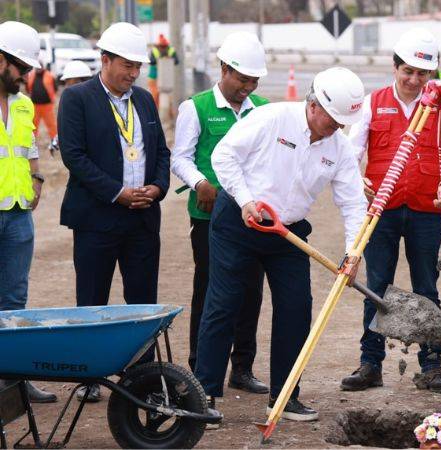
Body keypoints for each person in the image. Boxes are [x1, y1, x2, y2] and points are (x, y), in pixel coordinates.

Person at [194, 67, 367, 422]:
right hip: (238, 220)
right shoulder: (272, 118)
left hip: (287, 232)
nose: (336, 128)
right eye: (332, 120)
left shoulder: (339, 147)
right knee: (224, 304)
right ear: (314, 104)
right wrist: (244, 200)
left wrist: (354, 252)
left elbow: (352, 202)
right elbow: (223, 157)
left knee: (296, 308)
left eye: (342, 123)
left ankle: (285, 396)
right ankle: (204, 395)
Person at [57, 22, 170, 403]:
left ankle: (141, 377)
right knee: (92, 300)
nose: (134, 73)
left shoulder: (144, 99)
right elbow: (75, 156)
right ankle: (89, 376)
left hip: (141, 218)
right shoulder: (78, 99)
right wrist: (118, 193)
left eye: (138, 66)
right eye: (127, 65)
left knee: (142, 302)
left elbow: (162, 152)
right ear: (104, 60)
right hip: (96, 218)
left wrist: (157, 187)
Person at [342, 28, 441, 394]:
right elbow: (349, 152)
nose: (414, 80)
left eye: (422, 74)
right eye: (408, 71)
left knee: (426, 288)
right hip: (383, 211)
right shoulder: (373, 103)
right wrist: (358, 182)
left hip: (425, 210)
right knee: (377, 287)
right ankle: (370, 363)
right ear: (395, 67)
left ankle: (432, 366)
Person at [171, 31, 269, 394]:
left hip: (252, 215)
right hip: (209, 215)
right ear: (224, 70)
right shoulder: (195, 108)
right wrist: (200, 184)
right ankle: (200, 366)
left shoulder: (262, 108)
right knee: (211, 291)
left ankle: (242, 367)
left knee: (250, 291)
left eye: (254, 80)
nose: (248, 86)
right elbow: (180, 157)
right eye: (242, 79)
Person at [0, 20, 57, 404]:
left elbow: (29, 147)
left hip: (19, 213)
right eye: (19, 67)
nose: (25, 75)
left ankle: (13, 379)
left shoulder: (21, 103)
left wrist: (37, 180)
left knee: (15, 299)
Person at [48, 60, 93, 156]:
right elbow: (69, 127)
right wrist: (56, 141)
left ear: (79, 81)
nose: (66, 86)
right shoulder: (74, 100)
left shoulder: (94, 100)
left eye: (68, 82)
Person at [25, 61, 57, 141]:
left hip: (47, 105)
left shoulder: (49, 75)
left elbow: (55, 88)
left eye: (40, 66)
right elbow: (27, 88)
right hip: (35, 105)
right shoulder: (31, 75)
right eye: (37, 67)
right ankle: (31, 141)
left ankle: (55, 141)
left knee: (51, 125)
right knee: (33, 125)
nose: (38, 68)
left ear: (43, 67)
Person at [147, 33, 178, 107]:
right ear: (158, 46)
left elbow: (177, 61)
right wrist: (160, 59)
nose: (163, 48)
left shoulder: (171, 50)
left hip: (166, 78)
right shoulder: (154, 50)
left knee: (168, 99)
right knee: (154, 96)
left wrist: (169, 59)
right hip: (153, 76)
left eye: (165, 46)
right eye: (161, 46)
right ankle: (154, 111)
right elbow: (151, 61)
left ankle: (169, 116)